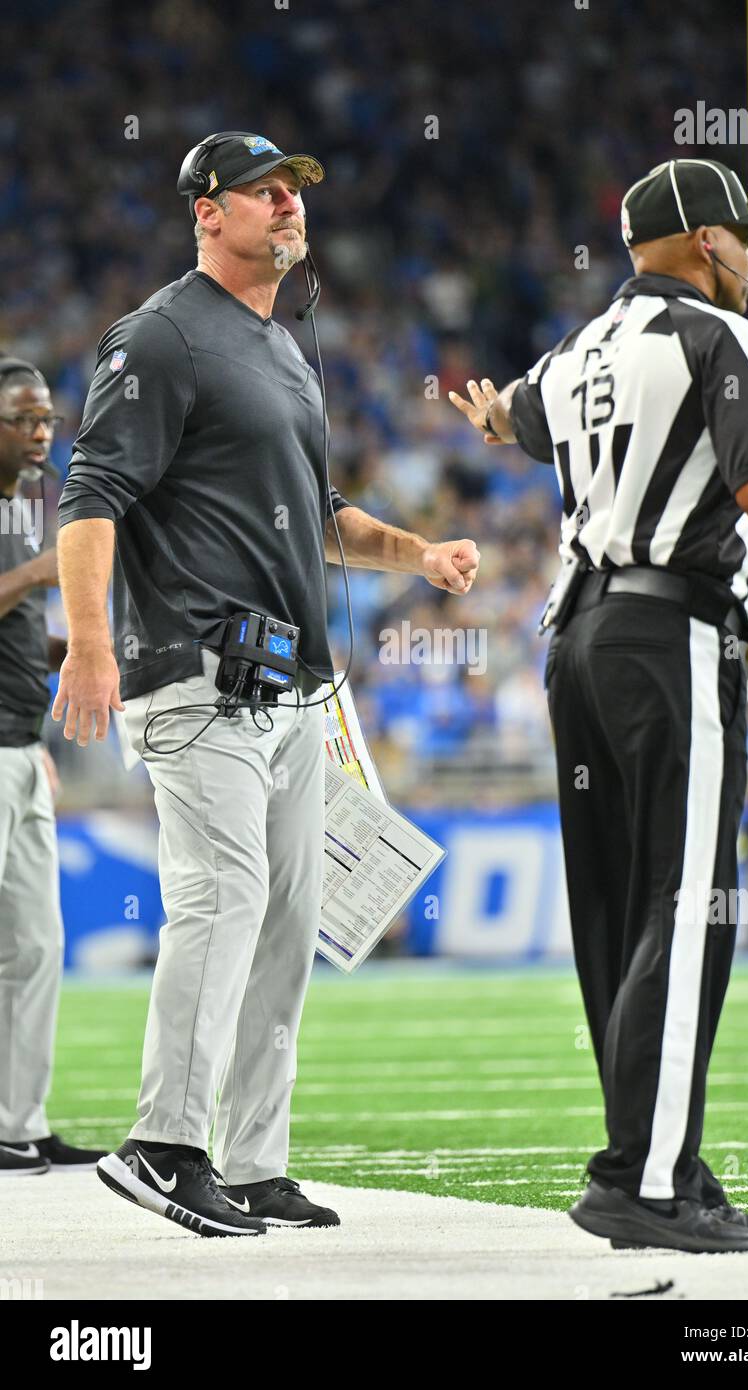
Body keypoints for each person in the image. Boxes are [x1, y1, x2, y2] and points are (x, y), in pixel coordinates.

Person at [53, 132, 480, 1238]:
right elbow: (91, 494)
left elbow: (322, 512)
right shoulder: (158, 337)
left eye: (295, 189)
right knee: (223, 895)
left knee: (289, 921)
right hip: (195, 673)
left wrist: (416, 554)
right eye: (264, 190)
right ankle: (162, 1145)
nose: (290, 202)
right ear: (206, 210)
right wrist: (90, 644)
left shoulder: (287, 350)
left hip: (290, 684)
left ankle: (249, 1159)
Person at [449, 158, 748, 1253]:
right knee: (685, 908)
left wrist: (494, 418)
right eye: (738, 234)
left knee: (620, 916)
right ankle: (640, 1179)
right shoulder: (712, 337)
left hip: (575, 643)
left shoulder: (580, 346)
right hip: (663, 632)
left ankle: (658, 1156)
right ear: (694, 240)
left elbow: (523, 420)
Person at [0, 356, 106, 1176]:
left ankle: (18, 1123)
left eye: (46, 420)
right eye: (24, 419)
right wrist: (41, 570)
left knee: (37, 943)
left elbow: (17, 638)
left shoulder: (23, 512)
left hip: (22, 747)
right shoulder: (28, 532)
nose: (42, 434)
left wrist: (83, 654)